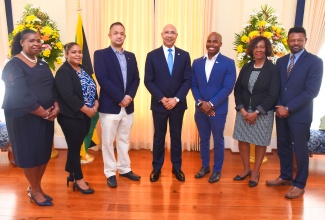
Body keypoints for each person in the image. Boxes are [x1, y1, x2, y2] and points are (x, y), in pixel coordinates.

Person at [2, 29, 59, 206]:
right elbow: (18, 93)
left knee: (43, 153)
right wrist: (42, 112)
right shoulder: (13, 65)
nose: (36, 44)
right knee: (29, 154)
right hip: (23, 117)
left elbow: (53, 87)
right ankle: (35, 190)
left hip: (47, 116)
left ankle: (36, 187)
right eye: (32, 41)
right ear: (22, 42)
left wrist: (56, 105)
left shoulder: (43, 64)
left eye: (39, 41)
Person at [266, 27, 323, 198]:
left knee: (300, 149)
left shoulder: (315, 62)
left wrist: (288, 107)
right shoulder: (281, 61)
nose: (296, 43)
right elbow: (276, 87)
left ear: (305, 40)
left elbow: (311, 91)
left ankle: (299, 184)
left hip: (300, 114)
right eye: (292, 40)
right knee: (283, 146)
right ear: (287, 41)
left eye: (299, 40)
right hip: (281, 112)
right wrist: (278, 107)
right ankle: (285, 176)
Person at [94, 22, 140, 188]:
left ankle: (124, 168)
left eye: (121, 33)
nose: (119, 36)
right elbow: (103, 79)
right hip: (110, 106)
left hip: (128, 106)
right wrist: (120, 97)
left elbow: (136, 79)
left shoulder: (131, 56)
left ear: (125, 36)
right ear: (109, 35)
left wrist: (128, 97)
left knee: (124, 139)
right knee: (107, 142)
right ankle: (110, 172)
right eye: (115, 33)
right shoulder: (100, 55)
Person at [145, 24, 192, 182]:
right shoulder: (152, 55)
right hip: (159, 104)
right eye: (167, 32)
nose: (169, 35)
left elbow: (187, 80)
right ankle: (156, 167)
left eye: (172, 32)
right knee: (159, 137)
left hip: (178, 105)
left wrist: (176, 99)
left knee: (176, 136)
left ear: (177, 35)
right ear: (161, 34)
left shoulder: (184, 56)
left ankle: (177, 167)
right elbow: (148, 81)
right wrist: (163, 98)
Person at [233, 36, 280, 187]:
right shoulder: (246, 67)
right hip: (244, 111)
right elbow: (238, 89)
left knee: (260, 142)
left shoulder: (272, 69)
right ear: (251, 49)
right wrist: (241, 109)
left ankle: (255, 172)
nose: (258, 50)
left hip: (263, 113)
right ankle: (246, 169)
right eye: (256, 47)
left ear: (266, 49)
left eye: (261, 47)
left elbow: (273, 94)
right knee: (243, 139)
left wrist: (257, 112)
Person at [191, 32, 236, 183]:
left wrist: (210, 104)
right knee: (203, 139)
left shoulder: (228, 63)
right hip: (200, 109)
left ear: (220, 44)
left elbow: (228, 87)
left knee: (218, 140)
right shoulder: (197, 62)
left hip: (218, 110)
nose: (211, 44)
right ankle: (205, 166)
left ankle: (217, 170)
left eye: (215, 42)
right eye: (209, 41)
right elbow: (194, 85)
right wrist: (200, 104)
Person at [55, 42, 98, 194]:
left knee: (76, 145)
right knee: (75, 148)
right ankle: (79, 180)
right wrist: (87, 110)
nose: (78, 55)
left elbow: (93, 86)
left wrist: (96, 103)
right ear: (66, 54)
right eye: (73, 52)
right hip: (71, 116)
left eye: (79, 52)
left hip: (86, 115)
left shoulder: (84, 68)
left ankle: (71, 174)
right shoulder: (63, 72)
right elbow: (68, 96)